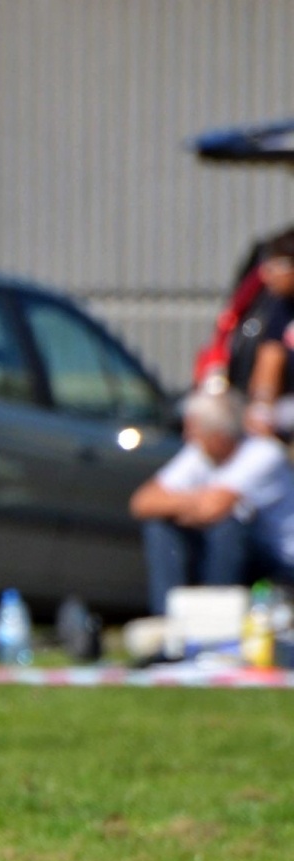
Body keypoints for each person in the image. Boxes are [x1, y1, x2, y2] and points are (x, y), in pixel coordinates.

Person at [129, 387, 294, 615]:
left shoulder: (265, 454)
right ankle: (168, 619)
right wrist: (194, 502)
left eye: (194, 430)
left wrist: (182, 503)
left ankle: (217, 620)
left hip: (279, 558)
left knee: (229, 527)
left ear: (219, 436)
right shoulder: (199, 455)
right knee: (160, 527)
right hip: (232, 551)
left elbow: (217, 509)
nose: (187, 437)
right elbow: (142, 502)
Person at [226, 228, 294, 438]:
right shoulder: (282, 306)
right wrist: (261, 409)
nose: (266, 275)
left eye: (276, 266)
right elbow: (270, 358)